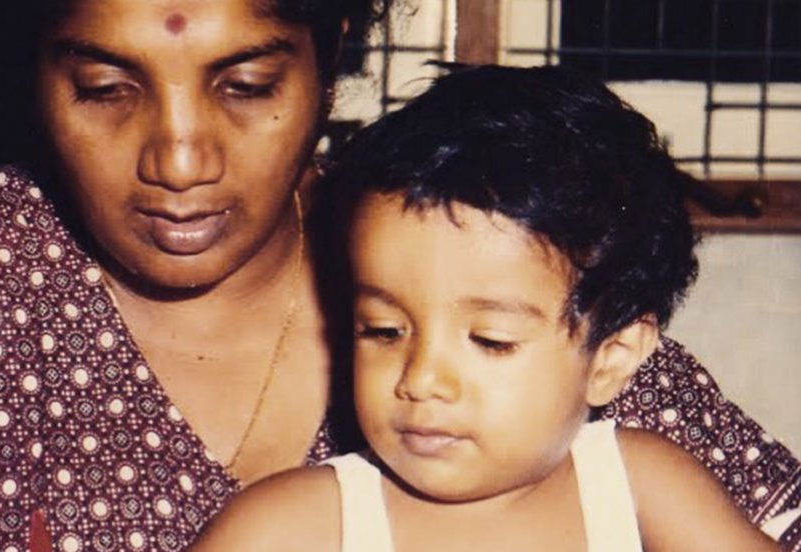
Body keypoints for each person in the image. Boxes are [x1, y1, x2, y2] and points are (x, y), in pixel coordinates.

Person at [0, 1, 797, 550]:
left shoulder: (474, 253)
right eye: (103, 86)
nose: (179, 159)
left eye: (247, 83)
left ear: (330, 50)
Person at [191, 65, 781, 551]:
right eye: (384, 330)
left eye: (490, 340)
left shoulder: (639, 485)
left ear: (611, 359)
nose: (420, 380)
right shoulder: (292, 527)